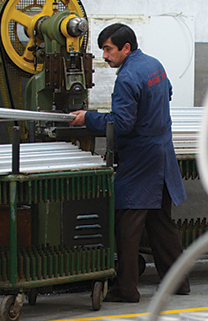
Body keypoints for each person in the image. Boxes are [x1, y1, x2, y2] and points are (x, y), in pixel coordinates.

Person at [70, 23, 189, 302]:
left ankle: (126, 288)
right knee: (161, 224)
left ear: (126, 47)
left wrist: (88, 118)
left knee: (127, 224)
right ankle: (179, 282)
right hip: (161, 153)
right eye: (103, 50)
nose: (105, 56)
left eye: (109, 50)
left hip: (140, 160)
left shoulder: (127, 78)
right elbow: (167, 92)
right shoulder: (154, 65)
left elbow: (121, 123)